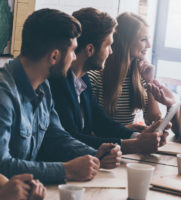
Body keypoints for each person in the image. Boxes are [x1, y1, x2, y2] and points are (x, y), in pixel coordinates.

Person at [0, 8, 121, 184]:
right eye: (73, 51)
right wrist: (65, 170)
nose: (74, 58)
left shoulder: (43, 86)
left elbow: (56, 136)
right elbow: (2, 166)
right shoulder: (4, 95)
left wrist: (96, 154)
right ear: (54, 56)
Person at [49, 8, 168, 154]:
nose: (111, 51)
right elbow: (71, 139)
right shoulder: (58, 83)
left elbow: (101, 122)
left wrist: (138, 137)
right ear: (90, 50)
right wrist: (134, 145)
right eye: (108, 45)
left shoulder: (82, 78)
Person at [88, 12, 161, 130]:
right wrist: (128, 130)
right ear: (124, 42)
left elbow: (153, 121)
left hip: (128, 143)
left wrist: (149, 82)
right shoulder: (94, 77)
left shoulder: (140, 74)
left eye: (149, 39)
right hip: (104, 145)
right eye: (143, 39)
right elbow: (88, 130)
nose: (149, 45)